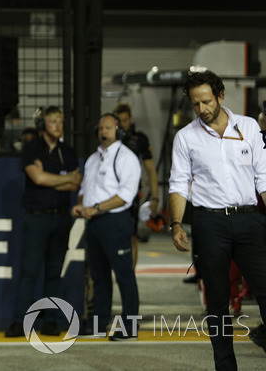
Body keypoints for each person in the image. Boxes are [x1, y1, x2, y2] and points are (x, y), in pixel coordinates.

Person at [168, 70, 266, 369]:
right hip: (210, 225)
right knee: (217, 301)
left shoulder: (248, 128)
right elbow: (178, 183)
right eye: (196, 104)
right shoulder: (185, 137)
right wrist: (176, 223)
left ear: (220, 96)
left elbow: (263, 178)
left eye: (207, 102)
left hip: (250, 221)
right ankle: (225, 365)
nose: (202, 110)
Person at [6, 106, 81, 338]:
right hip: (37, 218)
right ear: (43, 125)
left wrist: (54, 178)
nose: (58, 126)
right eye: (52, 121)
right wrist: (63, 177)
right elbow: (36, 178)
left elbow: (75, 184)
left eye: (60, 121)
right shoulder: (31, 149)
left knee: (54, 273)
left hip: (61, 218)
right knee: (30, 271)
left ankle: (51, 320)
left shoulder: (67, 151)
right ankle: (19, 321)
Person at [71, 113, 141, 340]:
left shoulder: (126, 157)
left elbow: (125, 196)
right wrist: (81, 206)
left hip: (115, 222)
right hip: (94, 223)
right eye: (101, 128)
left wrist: (97, 208)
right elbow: (84, 191)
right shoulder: (93, 159)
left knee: (124, 275)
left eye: (109, 128)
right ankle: (98, 324)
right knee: (99, 276)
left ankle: (129, 327)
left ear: (118, 131)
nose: (103, 132)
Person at [113, 102, 159, 264]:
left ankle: (130, 276)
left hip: (131, 196)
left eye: (125, 120)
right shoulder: (108, 138)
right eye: (119, 120)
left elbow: (150, 170)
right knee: (111, 236)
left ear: (130, 119)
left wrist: (155, 198)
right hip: (110, 194)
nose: (122, 124)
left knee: (131, 236)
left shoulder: (139, 139)